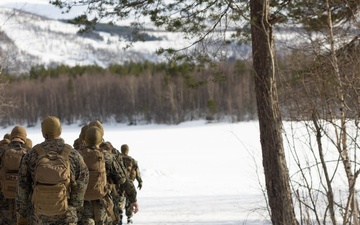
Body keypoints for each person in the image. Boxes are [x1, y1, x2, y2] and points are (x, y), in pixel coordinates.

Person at [16, 116, 89, 225]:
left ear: (43, 132)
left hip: (38, 215)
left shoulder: (32, 154)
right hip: (67, 215)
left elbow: (22, 186)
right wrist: (74, 205)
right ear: (60, 130)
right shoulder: (73, 154)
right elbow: (83, 180)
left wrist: (22, 213)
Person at [79, 126, 139, 225]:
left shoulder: (75, 156)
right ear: (100, 140)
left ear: (85, 139)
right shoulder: (107, 157)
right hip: (103, 204)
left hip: (82, 206)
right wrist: (133, 199)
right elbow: (123, 179)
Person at [0, 126, 28, 225]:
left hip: (3, 199)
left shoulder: (2, 151)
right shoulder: (29, 153)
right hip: (22, 202)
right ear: (24, 138)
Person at [119, 144, 142, 224]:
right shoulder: (132, 160)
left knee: (119, 200)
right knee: (129, 201)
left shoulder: (117, 159)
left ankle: (119, 215)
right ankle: (129, 218)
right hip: (130, 184)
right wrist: (140, 181)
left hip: (119, 183)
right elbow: (137, 172)